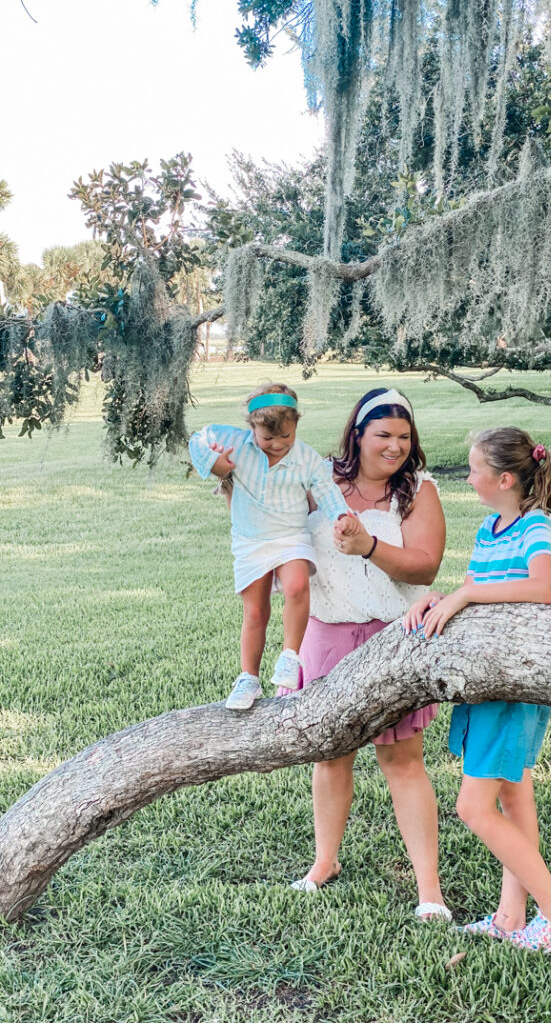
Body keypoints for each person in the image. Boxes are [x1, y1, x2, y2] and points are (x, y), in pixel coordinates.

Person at [403, 426, 551, 952]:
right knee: (513, 799)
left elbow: (543, 587)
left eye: (474, 470)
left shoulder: (536, 526)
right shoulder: (490, 527)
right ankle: (511, 917)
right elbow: (478, 591)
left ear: (504, 478)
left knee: (473, 807)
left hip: (513, 687)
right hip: (485, 682)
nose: (468, 477)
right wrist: (440, 597)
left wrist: (465, 594)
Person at [280, 387, 452, 923]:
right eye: (384, 435)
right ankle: (323, 863)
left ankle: (429, 892)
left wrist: (370, 547)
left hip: (393, 635)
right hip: (325, 632)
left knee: (402, 759)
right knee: (331, 756)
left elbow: (425, 569)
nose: (395, 446)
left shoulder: (417, 492)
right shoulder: (319, 479)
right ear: (358, 433)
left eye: (404, 437)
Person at [189, 383, 350, 709]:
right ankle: (248, 678)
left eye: (285, 437)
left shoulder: (305, 457)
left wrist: (342, 517)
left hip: (291, 536)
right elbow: (197, 438)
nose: (277, 445)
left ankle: (290, 656)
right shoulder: (235, 443)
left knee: (296, 587)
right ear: (252, 428)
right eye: (268, 438)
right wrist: (213, 461)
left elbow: (326, 490)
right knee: (256, 611)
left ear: (296, 424)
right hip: (250, 541)